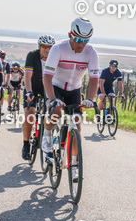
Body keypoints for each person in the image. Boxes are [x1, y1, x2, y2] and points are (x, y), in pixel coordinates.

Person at [41, 19, 100, 183]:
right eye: (78, 40)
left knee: (77, 126)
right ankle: (46, 135)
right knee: (56, 113)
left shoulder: (91, 53)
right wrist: (53, 99)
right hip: (56, 87)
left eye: (85, 41)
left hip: (74, 90)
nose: (81, 44)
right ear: (70, 35)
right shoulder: (58, 48)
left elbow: (94, 79)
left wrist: (89, 99)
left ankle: (74, 166)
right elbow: (47, 76)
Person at [20, 35, 54, 160]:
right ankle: (25, 144)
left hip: (47, 89)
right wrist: (29, 91)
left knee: (51, 113)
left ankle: (47, 139)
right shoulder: (32, 55)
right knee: (30, 114)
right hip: (33, 87)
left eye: (50, 47)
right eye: (45, 47)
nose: (48, 50)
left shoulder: (55, 57)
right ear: (39, 47)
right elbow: (27, 76)